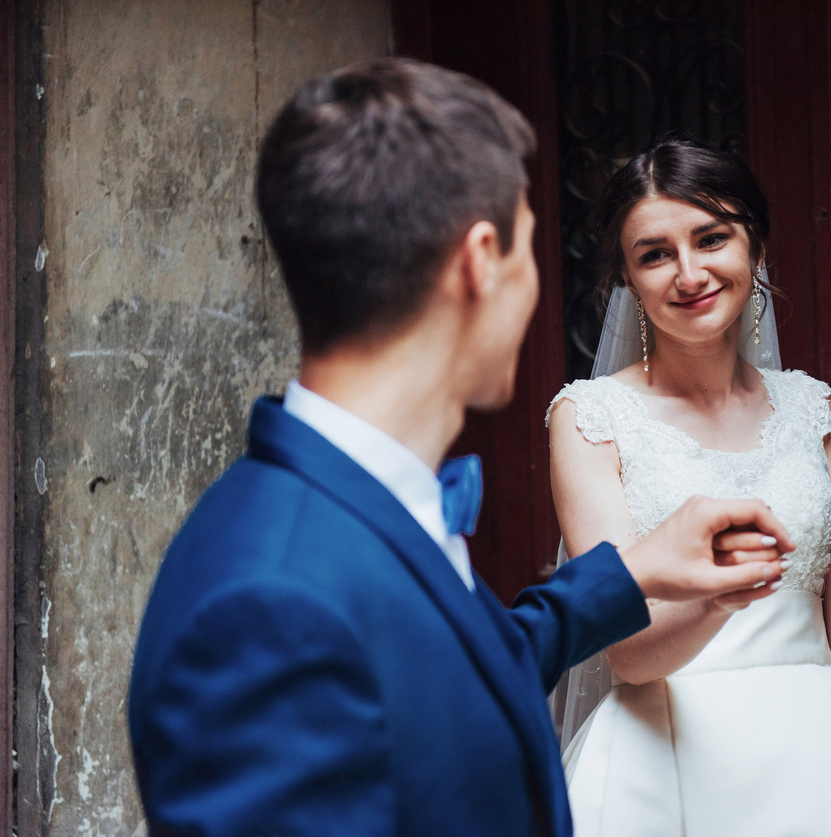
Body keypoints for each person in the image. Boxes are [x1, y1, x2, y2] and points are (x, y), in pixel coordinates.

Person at [127, 60, 797, 837]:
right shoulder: (267, 604)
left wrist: (634, 571)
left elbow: (454, 668)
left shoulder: (359, 500)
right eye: (529, 251)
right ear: (481, 262)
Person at [548, 137, 831, 836]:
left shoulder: (809, 408)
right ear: (629, 279)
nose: (689, 272)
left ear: (754, 247)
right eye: (655, 253)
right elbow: (627, 652)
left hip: (823, 763)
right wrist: (719, 593)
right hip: (662, 763)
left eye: (711, 238)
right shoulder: (591, 419)